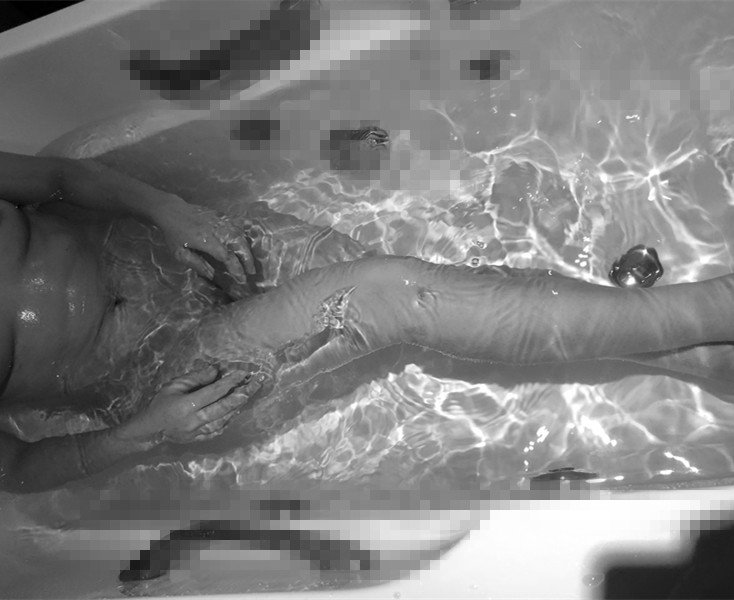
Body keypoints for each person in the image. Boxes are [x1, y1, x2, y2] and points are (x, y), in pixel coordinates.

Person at [1, 148, 733, 494]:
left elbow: (59, 178)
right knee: (390, 293)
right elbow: (13, 468)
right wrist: (140, 434)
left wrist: (166, 210)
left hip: (186, 250)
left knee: (400, 279)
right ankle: (710, 308)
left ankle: (694, 359)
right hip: (170, 372)